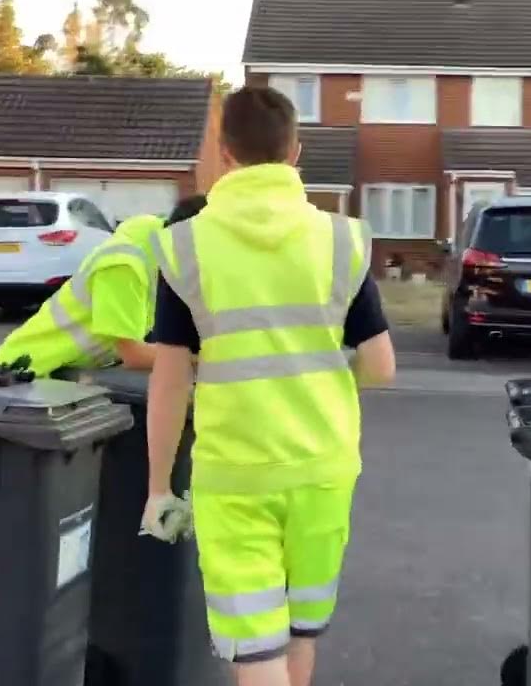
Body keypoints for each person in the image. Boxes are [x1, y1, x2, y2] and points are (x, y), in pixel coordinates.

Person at [143, 87, 396, 686]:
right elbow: (381, 366)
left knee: (258, 651)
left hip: (235, 478)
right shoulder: (340, 241)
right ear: (296, 151)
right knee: (299, 634)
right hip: (323, 470)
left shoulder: (187, 247)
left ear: (224, 154)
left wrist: (159, 489)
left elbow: (170, 380)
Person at [0, 195, 208, 381]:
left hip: (63, 376)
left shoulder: (157, 237)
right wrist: (208, 360)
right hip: (24, 376)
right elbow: (134, 355)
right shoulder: (124, 267)